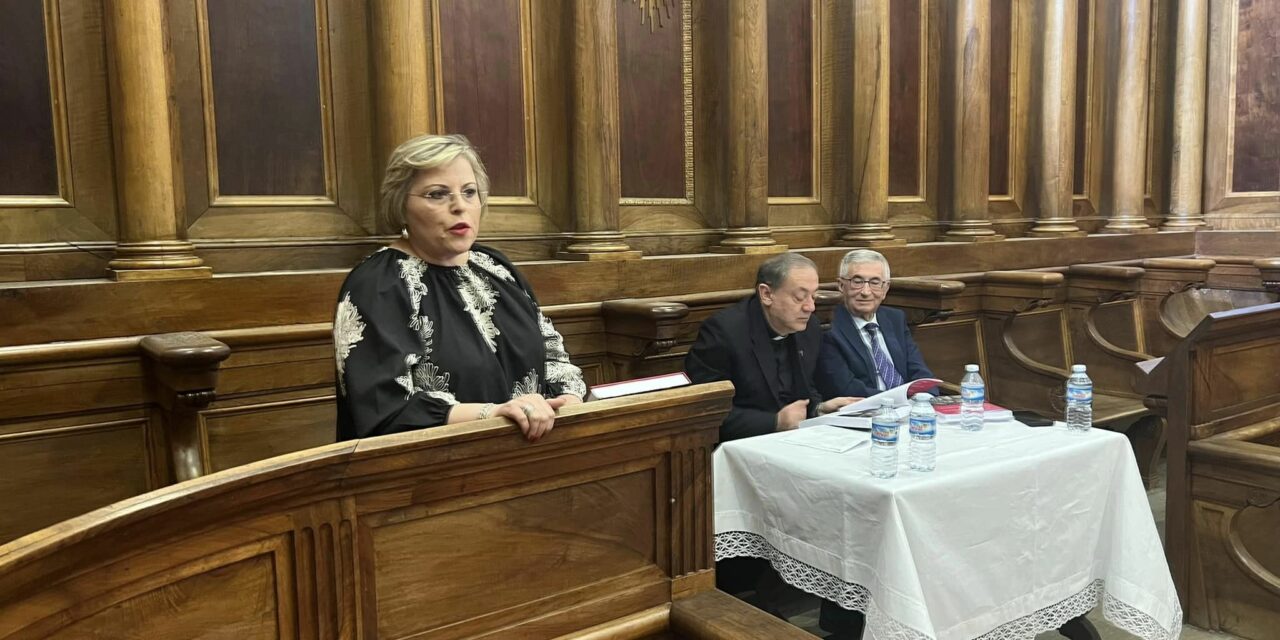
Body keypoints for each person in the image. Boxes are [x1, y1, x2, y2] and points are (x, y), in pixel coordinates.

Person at [333, 134, 585, 442]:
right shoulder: (378, 284)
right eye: (437, 194)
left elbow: (553, 356)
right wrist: (493, 414)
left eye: (469, 192)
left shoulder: (495, 267)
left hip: (530, 456)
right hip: (431, 475)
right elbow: (383, 409)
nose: (459, 206)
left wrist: (569, 401)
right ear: (400, 205)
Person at [685, 252, 856, 441]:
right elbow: (706, 411)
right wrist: (774, 421)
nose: (810, 307)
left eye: (813, 296)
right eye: (800, 297)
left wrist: (819, 408)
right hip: (743, 445)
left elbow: (804, 388)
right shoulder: (724, 332)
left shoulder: (810, 328)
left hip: (796, 439)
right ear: (766, 294)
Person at [816, 249, 936, 400]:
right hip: (866, 413)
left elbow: (919, 371)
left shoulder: (894, 318)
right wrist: (899, 401)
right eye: (857, 282)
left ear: (885, 289)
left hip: (909, 408)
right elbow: (845, 388)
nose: (866, 292)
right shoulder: (828, 326)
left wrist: (923, 398)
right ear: (841, 286)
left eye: (874, 283)